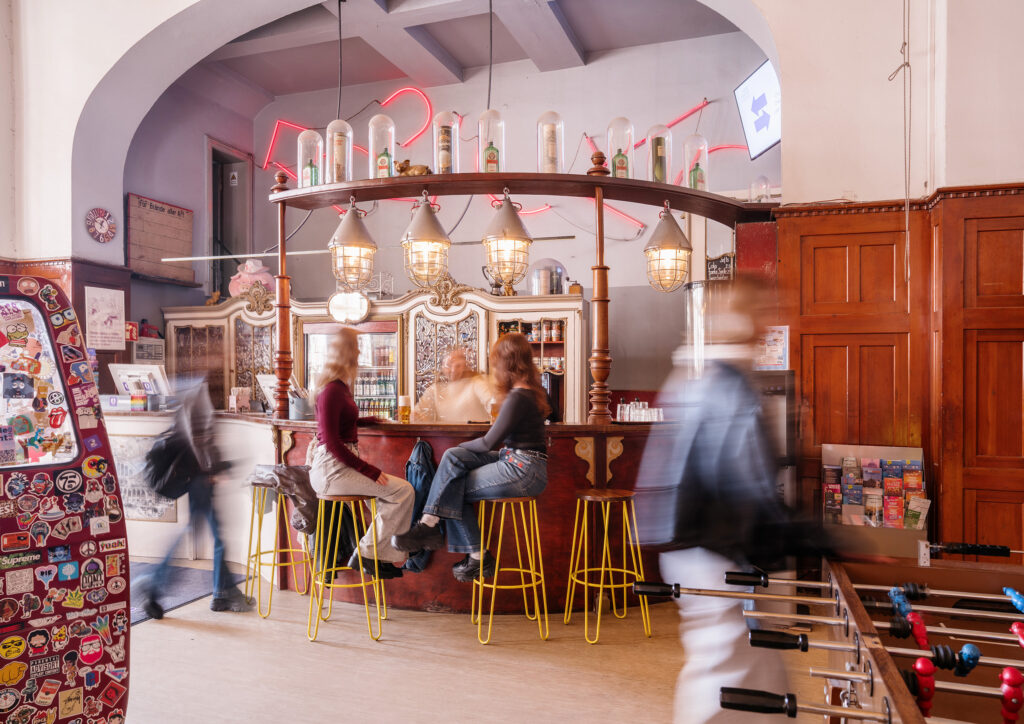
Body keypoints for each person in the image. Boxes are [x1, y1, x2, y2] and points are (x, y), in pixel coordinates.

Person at [634, 278, 829, 724]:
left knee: (757, 676)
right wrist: (825, 539)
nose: (769, 323)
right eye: (763, 312)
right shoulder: (728, 386)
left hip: (702, 549)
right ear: (743, 319)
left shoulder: (703, 375)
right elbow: (749, 487)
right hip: (713, 553)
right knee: (722, 687)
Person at [392, 332, 549, 581]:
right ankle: (429, 525)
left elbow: (488, 442)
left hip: (523, 470)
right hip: (517, 460)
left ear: (505, 363)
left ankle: (476, 555)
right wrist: (459, 449)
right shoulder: (529, 392)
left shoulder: (518, 397)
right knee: (454, 456)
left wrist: (463, 444)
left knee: (454, 484)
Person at [308, 327, 414, 578]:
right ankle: (366, 553)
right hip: (332, 470)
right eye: (356, 348)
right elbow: (332, 442)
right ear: (347, 353)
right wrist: (369, 470)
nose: (359, 352)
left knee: (384, 498)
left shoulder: (339, 387)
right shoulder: (332, 390)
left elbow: (339, 424)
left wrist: (368, 420)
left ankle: (378, 555)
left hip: (337, 466)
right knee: (403, 491)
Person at [142, 379, 249, 619]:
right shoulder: (197, 391)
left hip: (197, 475)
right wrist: (211, 469)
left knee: (209, 532)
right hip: (200, 477)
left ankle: (222, 591)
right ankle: (217, 592)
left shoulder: (192, 388)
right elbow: (196, 437)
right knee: (214, 534)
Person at [412, 347, 493, 423]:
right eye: (449, 365)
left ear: (466, 365)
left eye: (458, 365)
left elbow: (492, 404)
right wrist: (414, 416)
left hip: (479, 432)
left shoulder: (478, 382)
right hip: (444, 433)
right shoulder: (436, 389)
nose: (453, 370)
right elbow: (419, 413)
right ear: (442, 367)